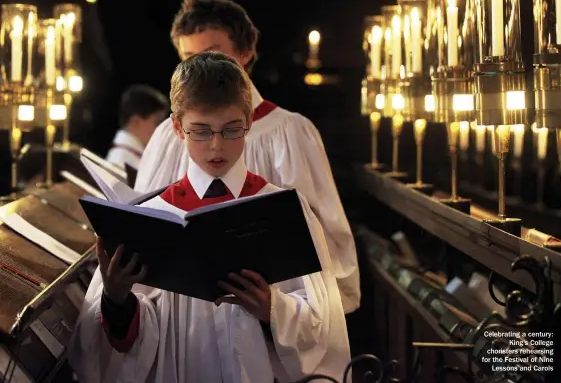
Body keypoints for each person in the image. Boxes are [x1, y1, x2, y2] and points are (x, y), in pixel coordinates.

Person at [68, 52, 350, 383]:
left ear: (248, 121)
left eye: (231, 130)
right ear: (177, 127)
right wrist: (117, 300)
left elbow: (324, 329)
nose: (217, 146)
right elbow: (117, 350)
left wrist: (273, 308)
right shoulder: (153, 216)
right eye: (201, 131)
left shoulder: (283, 208)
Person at [134, 0, 360, 315]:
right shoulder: (167, 136)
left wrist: (300, 313)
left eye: (213, 54)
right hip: (183, 314)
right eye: (188, 57)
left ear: (245, 53)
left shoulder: (290, 132)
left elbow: (325, 236)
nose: (202, 68)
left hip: (269, 310)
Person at [106, 84, 169, 170]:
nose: (162, 130)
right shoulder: (120, 161)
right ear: (135, 122)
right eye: (157, 123)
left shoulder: (131, 157)